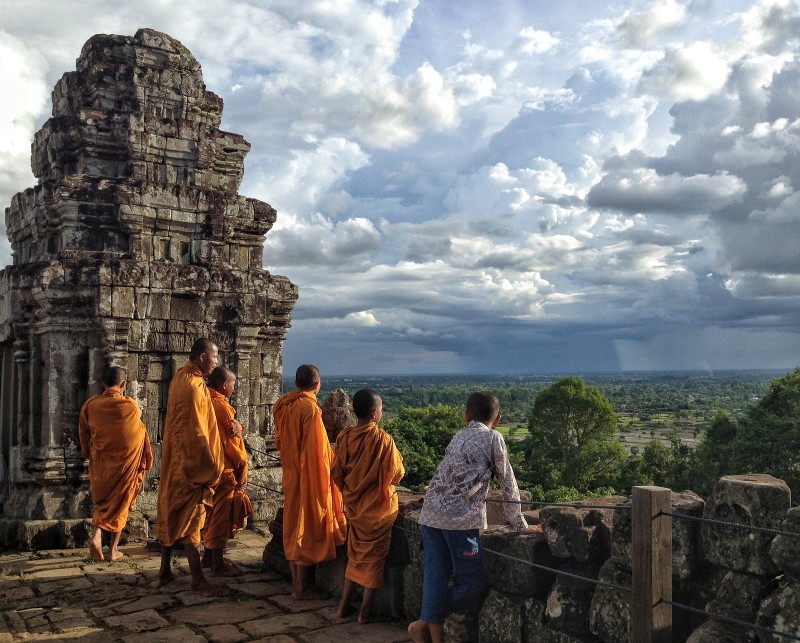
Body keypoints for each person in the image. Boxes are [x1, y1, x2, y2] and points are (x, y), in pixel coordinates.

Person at [407, 391, 537, 643]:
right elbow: (508, 482)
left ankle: (429, 630)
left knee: (436, 579)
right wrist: (519, 523)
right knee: (472, 582)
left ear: (467, 415)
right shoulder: (493, 438)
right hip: (459, 519)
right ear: (497, 419)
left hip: (430, 515)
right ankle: (425, 622)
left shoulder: (459, 436)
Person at [156, 338, 224, 596]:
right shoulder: (195, 388)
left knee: (171, 515)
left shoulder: (180, 378)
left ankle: (164, 571)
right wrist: (210, 469)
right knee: (192, 522)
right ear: (202, 357)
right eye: (215, 356)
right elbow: (197, 434)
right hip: (190, 467)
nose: (217, 362)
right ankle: (197, 580)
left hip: (174, 462)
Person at [274, 364, 347, 599]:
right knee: (304, 528)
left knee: (294, 526)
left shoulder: (284, 405)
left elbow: (280, 441)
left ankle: (297, 584)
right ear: (317, 385)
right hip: (307, 477)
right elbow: (318, 453)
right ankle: (301, 588)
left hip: (291, 474)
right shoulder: (310, 410)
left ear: (297, 383)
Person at [331, 389, 404, 623]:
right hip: (378, 511)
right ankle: (364, 613)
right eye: (381, 410)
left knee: (354, 557)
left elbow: (336, 473)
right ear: (374, 413)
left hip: (354, 507)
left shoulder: (345, 437)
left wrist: (351, 491)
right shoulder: (383, 440)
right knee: (373, 561)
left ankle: (342, 607)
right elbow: (397, 474)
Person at [78, 366, 153, 562]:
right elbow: (138, 434)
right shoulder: (130, 405)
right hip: (125, 467)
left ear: (102, 383)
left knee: (102, 504)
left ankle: (96, 535)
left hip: (101, 466)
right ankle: (112, 550)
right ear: (123, 384)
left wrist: (90, 454)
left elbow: (84, 438)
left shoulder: (90, 406)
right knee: (122, 504)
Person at [202, 366, 253, 576]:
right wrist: (242, 466)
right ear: (224, 386)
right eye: (233, 384)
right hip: (224, 469)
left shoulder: (205, 400)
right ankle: (217, 564)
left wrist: (239, 427)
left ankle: (207, 557)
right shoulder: (220, 405)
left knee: (211, 513)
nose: (234, 387)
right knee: (221, 516)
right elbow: (233, 441)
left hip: (209, 466)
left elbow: (232, 428)